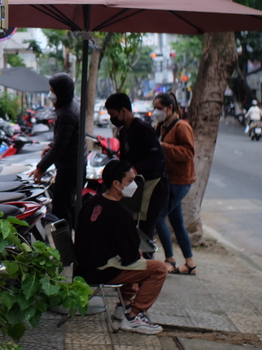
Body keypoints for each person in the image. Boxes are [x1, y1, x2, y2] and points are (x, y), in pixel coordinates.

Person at [74, 159, 168, 335]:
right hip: (101, 270)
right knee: (158, 269)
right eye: (130, 181)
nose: (134, 185)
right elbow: (131, 256)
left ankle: (123, 306)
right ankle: (134, 316)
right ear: (117, 184)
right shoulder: (121, 213)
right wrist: (136, 254)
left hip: (84, 266)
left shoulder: (91, 202)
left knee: (136, 261)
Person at [104, 92, 168, 247]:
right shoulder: (123, 132)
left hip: (154, 185)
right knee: (127, 220)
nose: (112, 119)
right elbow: (125, 159)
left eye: (113, 114)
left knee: (146, 229)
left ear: (123, 111)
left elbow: (158, 157)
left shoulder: (143, 129)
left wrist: (135, 168)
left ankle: (147, 265)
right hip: (135, 185)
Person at [152, 92, 197, 275]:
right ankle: (190, 263)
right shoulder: (162, 126)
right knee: (177, 222)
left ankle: (170, 259)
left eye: (159, 108)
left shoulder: (182, 127)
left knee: (158, 216)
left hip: (180, 181)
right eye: (154, 108)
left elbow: (188, 153)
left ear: (170, 108)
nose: (155, 112)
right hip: (168, 180)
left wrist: (164, 147)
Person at [28, 73, 80, 228]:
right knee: (67, 208)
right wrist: (50, 146)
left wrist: (40, 167)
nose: (50, 95)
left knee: (62, 212)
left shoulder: (67, 113)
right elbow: (63, 139)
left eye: (53, 91)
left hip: (70, 168)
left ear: (61, 93)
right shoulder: (71, 105)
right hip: (73, 165)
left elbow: (60, 146)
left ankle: (67, 249)